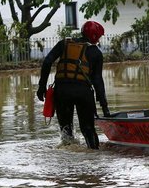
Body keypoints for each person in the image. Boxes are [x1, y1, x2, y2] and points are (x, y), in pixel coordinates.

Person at [36, 20, 111, 149]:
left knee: (66, 131)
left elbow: (47, 62)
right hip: (83, 93)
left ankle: (68, 160)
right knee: (88, 129)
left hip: (62, 92)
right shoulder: (96, 53)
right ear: (94, 36)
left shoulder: (64, 44)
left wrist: (41, 87)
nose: (98, 40)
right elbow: (97, 80)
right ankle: (94, 154)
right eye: (98, 37)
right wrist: (104, 108)